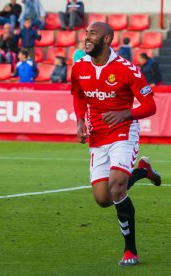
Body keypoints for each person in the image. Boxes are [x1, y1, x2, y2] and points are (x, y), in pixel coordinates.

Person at [71, 22, 162, 267]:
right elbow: (78, 94)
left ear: (107, 39)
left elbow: (150, 105)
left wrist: (125, 114)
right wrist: (80, 120)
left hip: (124, 130)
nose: (87, 38)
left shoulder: (127, 69)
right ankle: (143, 171)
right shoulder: (79, 66)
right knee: (103, 199)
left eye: (93, 34)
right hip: (98, 136)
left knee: (117, 189)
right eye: (86, 33)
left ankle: (130, 250)